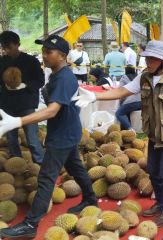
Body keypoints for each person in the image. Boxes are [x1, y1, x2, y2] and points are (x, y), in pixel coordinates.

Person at [73, 40, 163, 227]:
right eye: (147, 57)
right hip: (153, 135)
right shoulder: (144, 77)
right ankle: (160, 204)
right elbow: (123, 91)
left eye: (153, 58)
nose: (149, 61)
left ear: (162, 60)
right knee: (154, 173)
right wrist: (95, 96)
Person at [0, 35, 96, 239]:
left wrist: (18, 122)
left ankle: (30, 224)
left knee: (46, 177)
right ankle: (90, 198)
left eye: (48, 52)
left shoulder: (63, 78)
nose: (44, 55)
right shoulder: (57, 74)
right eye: (43, 51)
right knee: (75, 167)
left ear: (62, 55)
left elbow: (52, 111)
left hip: (63, 134)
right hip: (65, 130)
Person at [0, 31, 44, 164]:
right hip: (7, 105)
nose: (7, 51)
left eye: (10, 47)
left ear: (18, 44)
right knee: (12, 139)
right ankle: (17, 166)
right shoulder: (2, 62)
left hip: (26, 104)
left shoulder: (31, 61)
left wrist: (25, 85)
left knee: (32, 139)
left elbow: (40, 81)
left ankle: (41, 165)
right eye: (4, 48)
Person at [115, 65, 141, 130]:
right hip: (142, 101)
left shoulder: (124, 77)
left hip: (132, 101)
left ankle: (130, 130)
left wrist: (120, 104)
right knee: (126, 110)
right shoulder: (138, 77)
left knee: (119, 113)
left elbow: (121, 92)